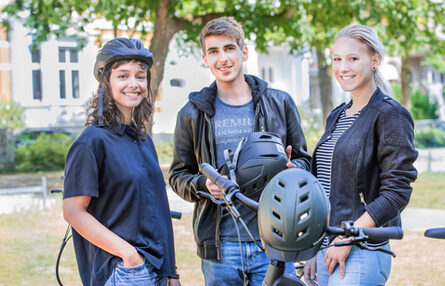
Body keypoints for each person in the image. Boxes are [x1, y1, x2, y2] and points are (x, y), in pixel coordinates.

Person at [169, 17, 312, 286]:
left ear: (243, 52)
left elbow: (305, 159)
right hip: (220, 246)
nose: (222, 58)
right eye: (213, 51)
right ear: (205, 58)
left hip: (275, 239)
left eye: (229, 48)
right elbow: (177, 175)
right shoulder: (191, 114)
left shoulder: (279, 102)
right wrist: (203, 184)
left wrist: (295, 170)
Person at [303, 25, 418, 286]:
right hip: (325, 247)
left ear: (374, 61)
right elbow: (325, 185)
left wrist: (349, 237)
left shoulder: (391, 115)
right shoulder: (337, 116)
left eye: (353, 58)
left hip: (360, 250)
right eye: (337, 59)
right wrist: (311, 248)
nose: (343, 67)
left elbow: (397, 193)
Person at [63, 38, 180, 286]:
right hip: (123, 271)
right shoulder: (92, 141)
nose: (134, 84)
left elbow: (159, 209)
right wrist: (129, 256)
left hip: (157, 269)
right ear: (106, 82)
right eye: (123, 76)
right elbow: (73, 212)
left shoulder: (143, 140)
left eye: (140, 76)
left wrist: (171, 272)